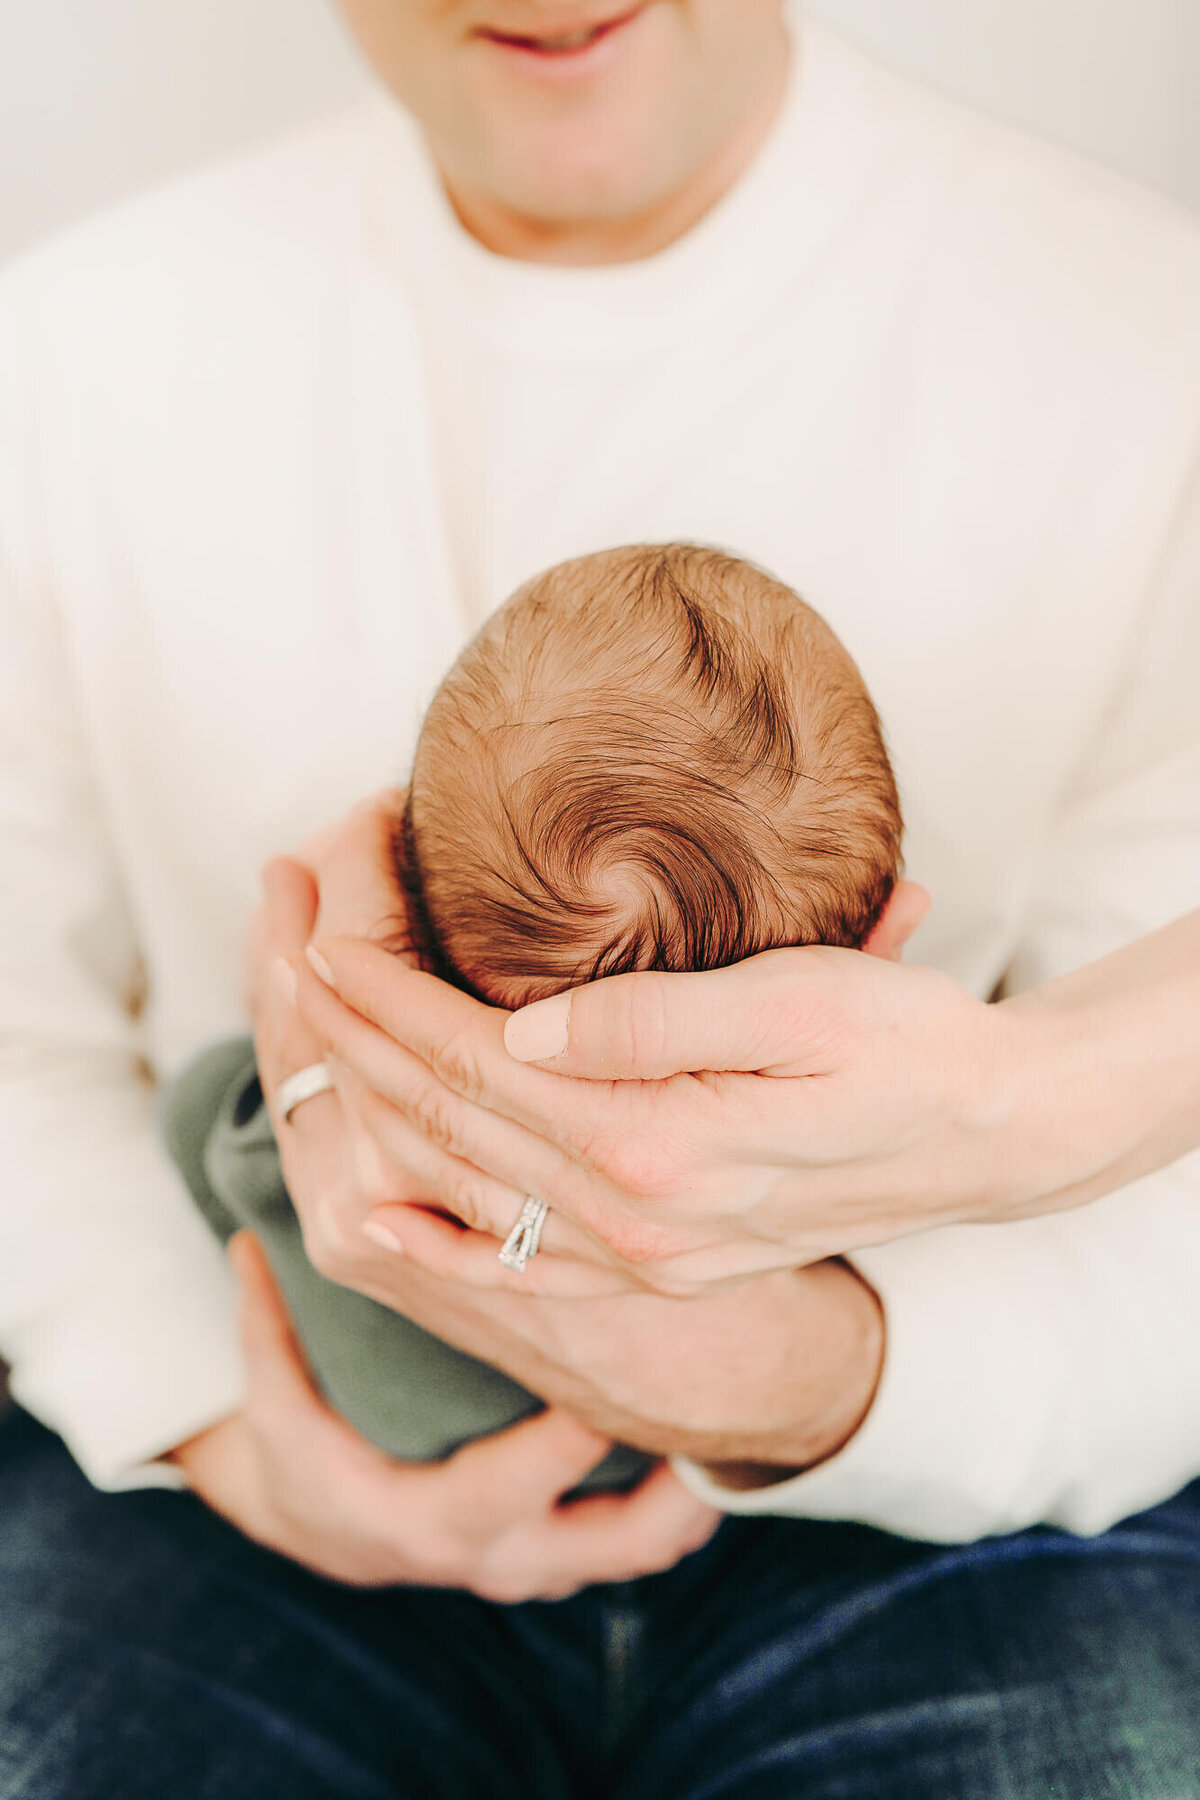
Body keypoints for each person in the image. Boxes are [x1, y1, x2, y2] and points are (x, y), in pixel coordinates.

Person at [2, 1, 1199, 1793]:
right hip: (246, 1449)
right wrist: (219, 1421)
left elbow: (1158, 1228)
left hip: (978, 1469)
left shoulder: (1149, 348)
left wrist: (813, 1373)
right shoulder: (72, 358)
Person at [161, 542, 917, 1481]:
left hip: (389, 1347)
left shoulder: (371, 958)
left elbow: (285, 969)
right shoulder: (886, 1101)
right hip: (682, 1415)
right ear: (884, 938)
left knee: (206, 1100)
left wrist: (322, 973)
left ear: (397, 880)